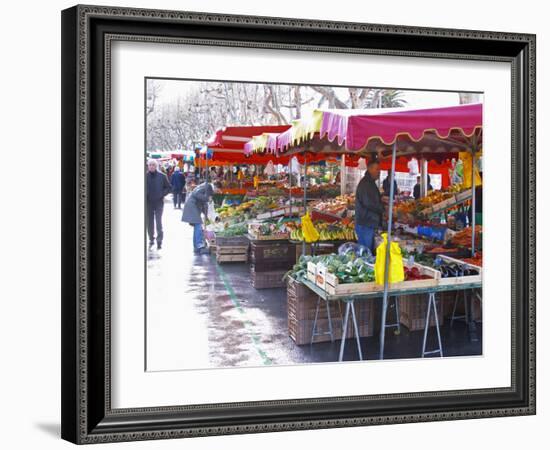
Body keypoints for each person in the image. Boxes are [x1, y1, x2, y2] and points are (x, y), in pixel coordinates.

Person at [181, 181, 220, 254]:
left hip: (194, 206)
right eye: (218, 190)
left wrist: (206, 215)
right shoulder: (207, 186)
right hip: (192, 206)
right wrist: (207, 199)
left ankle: (197, 246)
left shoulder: (207, 187)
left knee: (197, 226)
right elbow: (196, 194)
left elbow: (203, 203)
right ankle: (199, 246)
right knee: (198, 225)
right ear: (215, 186)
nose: (217, 192)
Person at [355, 159, 384, 254]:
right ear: (369, 169)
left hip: (367, 222)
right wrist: (383, 209)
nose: (379, 172)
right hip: (366, 223)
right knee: (365, 252)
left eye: (379, 169)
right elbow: (369, 203)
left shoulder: (369, 183)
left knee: (366, 251)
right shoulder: (366, 184)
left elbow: (370, 200)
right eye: (377, 169)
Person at [146, 159, 171, 250]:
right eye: (150, 165)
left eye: (153, 165)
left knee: (158, 221)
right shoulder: (145, 176)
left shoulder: (162, 176)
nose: (151, 166)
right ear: (148, 166)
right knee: (149, 222)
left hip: (159, 202)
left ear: (156, 166)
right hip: (148, 202)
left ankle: (159, 240)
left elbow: (169, 188)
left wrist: (162, 194)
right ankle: (151, 238)